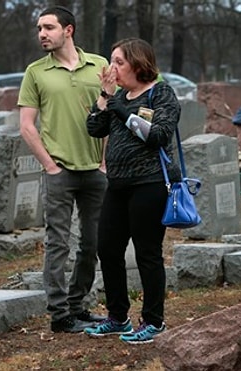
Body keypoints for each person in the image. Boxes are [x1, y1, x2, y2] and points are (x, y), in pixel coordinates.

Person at [83, 38, 181, 345]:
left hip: (150, 184)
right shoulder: (118, 96)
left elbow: (158, 135)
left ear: (139, 64)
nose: (111, 69)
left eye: (119, 62)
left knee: (147, 253)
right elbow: (94, 128)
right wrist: (105, 96)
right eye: (111, 61)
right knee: (108, 249)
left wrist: (121, 108)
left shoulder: (159, 93)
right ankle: (118, 317)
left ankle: (154, 321)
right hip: (118, 185)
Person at [18, 6, 108, 333]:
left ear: (68, 30)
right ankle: (59, 314)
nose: (41, 33)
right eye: (39, 28)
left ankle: (78, 305)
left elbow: (110, 114)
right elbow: (27, 126)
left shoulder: (100, 65)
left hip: (95, 172)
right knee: (58, 243)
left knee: (93, 242)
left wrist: (103, 162)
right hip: (59, 171)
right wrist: (49, 165)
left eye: (49, 27)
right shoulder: (36, 72)